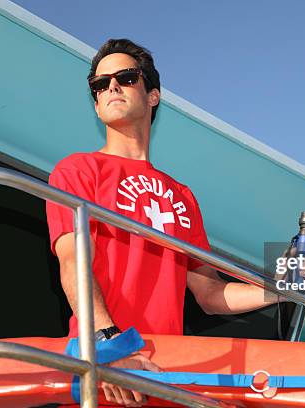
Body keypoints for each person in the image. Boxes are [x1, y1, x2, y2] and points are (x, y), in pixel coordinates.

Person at [46, 38, 278, 406]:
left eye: (125, 77)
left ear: (153, 95)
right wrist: (110, 345)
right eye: (99, 84)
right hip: (103, 372)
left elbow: (211, 294)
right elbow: (74, 262)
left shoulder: (182, 195)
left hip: (164, 377)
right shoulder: (77, 170)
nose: (112, 88)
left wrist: (283, 288)